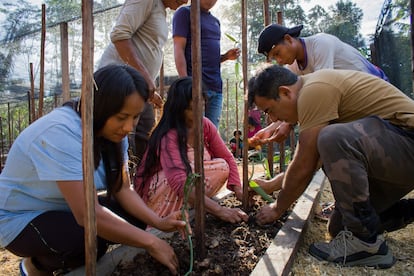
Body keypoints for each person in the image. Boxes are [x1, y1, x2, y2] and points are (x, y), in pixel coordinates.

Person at [0, 65, 187, 275]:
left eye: (134, 117)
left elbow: (123, 189)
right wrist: (151, 243)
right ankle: (36, 266)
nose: (128, 127)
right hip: (20, 219)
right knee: (88, 241)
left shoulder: (114, 135)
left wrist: (158, 222)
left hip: (63, 209)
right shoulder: (61, 132)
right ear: (100, 107)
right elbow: (87, 215)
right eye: (121, 117)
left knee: (134, 219)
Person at [248, 64, 414, 268]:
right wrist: (271, 185)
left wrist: (277, 207)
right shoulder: (312, 92)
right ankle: (403, 212)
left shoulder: (314, 90)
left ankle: (366, 245)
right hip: (397, 155)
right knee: (339, 228)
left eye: (270, 110)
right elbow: (313, 160)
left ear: (284, 92)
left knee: (332, 137)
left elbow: (304, 163)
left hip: (408, 141)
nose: (272, 119)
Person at [250, 23, 389, 146]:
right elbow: (292, 102)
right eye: (274, 58)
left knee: (327, 139)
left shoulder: (321, 44)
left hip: (377, 96)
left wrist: (288, 124)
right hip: (355, 108)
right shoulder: (293, 67)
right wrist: (270, 129)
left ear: (288, 39)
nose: (279, 61)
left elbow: (322, 95)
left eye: (277, 53)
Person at [134, 77, 248, 224]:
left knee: (222, 166)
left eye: (201, 105)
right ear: (179, 109)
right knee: (184, 176)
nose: (198, 112)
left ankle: (193, 204)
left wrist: (239, 191)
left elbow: (228, 158)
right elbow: (179, 183)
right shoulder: (169, 136)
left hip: (185, 188)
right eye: (191, 108)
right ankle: (160, 220)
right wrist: (220, 210)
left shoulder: (205, 125)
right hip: (161, 191)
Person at [99, 0, 188, 161]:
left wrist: (150, 91)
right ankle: (120, 179)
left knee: (145, 134)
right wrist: (145, 77)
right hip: (119, 83)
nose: (186, 1)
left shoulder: (160, 9)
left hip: (137, 86)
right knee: (124, 136)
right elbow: (119, 35)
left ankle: (140, 181)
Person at [172, 0, 240, 128]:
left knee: (211, 134)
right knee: (193, 133)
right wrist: (186, 82)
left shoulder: (215, 21)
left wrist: (225, 57)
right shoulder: (184, 13)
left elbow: (207, 57)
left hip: (216, 88)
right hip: (195, 86)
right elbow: (179, 48)